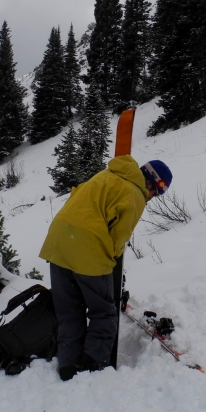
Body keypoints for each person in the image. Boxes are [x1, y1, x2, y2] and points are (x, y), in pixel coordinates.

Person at [38, 155, 173, 381]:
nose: (152, 197)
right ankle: (91, 371)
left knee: (69, 313)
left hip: (58, 243)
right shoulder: (135, 194)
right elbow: (118, 239)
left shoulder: (107, 175)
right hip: (88, 248)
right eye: (157, 193)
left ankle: (68, 369)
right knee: (104, 313)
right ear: (152, 182)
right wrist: (109, 269)